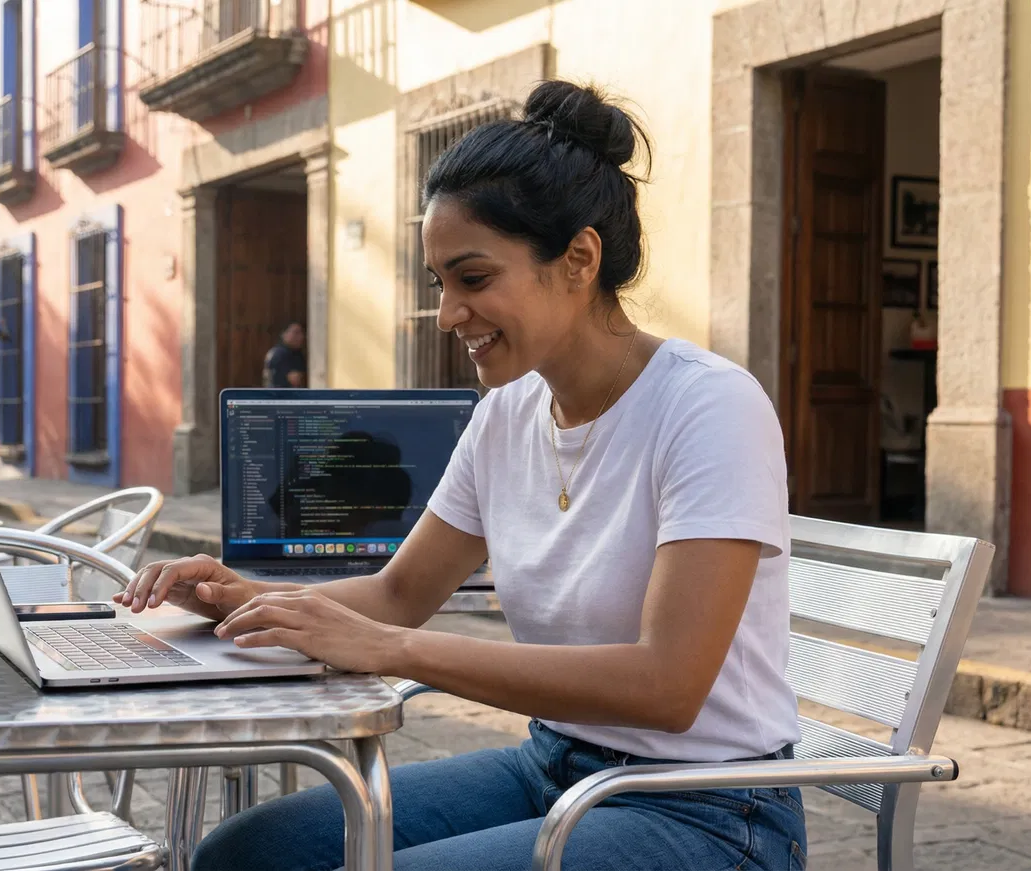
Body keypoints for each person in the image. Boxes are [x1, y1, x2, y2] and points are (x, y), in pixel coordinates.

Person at [116, 80, 804, 871]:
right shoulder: (508, 413)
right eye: (440, 283)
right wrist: (242, 597)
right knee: (247, 853)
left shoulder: (708, 406)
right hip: (554, 767)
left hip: (711, 809)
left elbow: (668, 684)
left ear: (579, 259)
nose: (447, 314)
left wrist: (394, 649)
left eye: (473, 279)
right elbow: (398, 593)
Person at [262, 322, 307, 387]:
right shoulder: (280, 353)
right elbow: (294, 379)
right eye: (296, 333)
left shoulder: (296, 353)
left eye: (302, 333)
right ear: (284, 334)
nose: (301, 337)